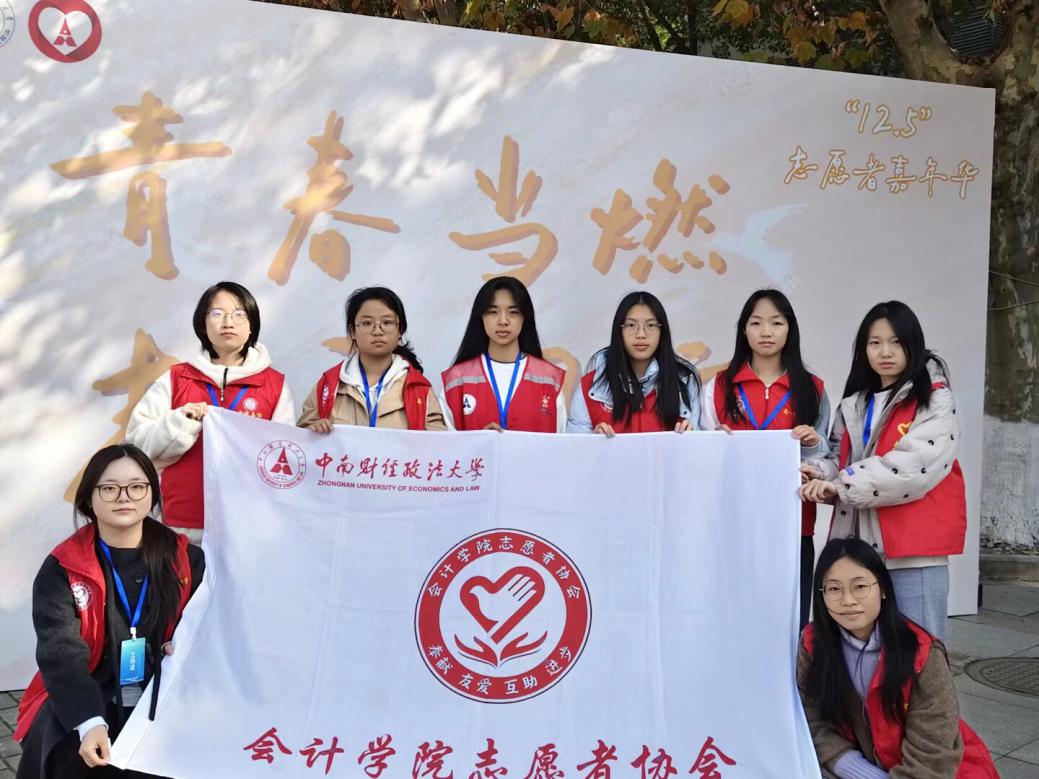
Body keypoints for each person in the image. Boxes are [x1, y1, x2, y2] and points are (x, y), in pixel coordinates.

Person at [15, 444, 205, 779]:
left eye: (136, 486)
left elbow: (209, 628)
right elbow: (61, 654)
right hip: (90, 689)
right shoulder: (64, 568)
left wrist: (185, 646)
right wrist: (89, 722)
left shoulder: (186, 560)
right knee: (69, 750)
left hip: (163, 689)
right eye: (109, 488)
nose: (124, 497)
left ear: (152, 494)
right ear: (90, 499)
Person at [801, 301, 965, 639]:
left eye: (896, 342)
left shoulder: (934, 399)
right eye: (875, 343)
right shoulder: (855, 404)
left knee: (920, 648)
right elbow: (839, 460)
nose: (885, 352)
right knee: (860, 651)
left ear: (913, 345)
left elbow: (915, 464)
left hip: (912, 551)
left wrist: (841, 485)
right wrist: (817, 472)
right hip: (858, 550)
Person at [798, 538, 996, 778]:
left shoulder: (922, 654)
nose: (848, 600)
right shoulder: (813, 645)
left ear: (882, 589)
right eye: (834, 589)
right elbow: (810, 722)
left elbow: (934, 752)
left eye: (860, 586)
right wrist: (854, 769)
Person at [126, 282, 294, 542]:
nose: (228, 322)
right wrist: (179, 423)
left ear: (252, 325)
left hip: (247, 530)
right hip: (180, 529)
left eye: (239, 314)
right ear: (202, 325)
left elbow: (285, 459)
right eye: (217, 314)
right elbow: (137, 443)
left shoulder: (274, 385)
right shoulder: (177, 378)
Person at [701, 289, 829, 628]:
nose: (766, 332)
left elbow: (824, 457)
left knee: (789, 618)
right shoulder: (719, 386)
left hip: (792, 524)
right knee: (732, 617)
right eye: (756, 323)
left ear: (790, 328)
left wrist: (812, 447)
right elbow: (701, 458)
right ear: (744, 330)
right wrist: (712, 444)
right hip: (732, 523)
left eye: (776, 322)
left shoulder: (812, 388)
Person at [298, 286, 447, 431]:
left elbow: (437, 443)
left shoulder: (418, 388)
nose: (377, 331)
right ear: (352, 331)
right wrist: (312, 432)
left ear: (400, 330)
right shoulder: (328, 385)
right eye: (367, 323)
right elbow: (301, 438)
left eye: (387, 322)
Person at [442, 278, 565, 433]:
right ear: (481, 317)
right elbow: (445, 444)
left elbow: (560, 442)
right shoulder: (456, 379)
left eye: (513, 312)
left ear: (525, 317)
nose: (503, 321)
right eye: (493, 312)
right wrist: (480, 441)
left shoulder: (550, 379)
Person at [567, 291, 700, 434]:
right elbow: (575, 444)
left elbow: (698, 442)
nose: (641, 334)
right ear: (619, 331)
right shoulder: (590, 386)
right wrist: (593, 440)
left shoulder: (685, 382)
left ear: (662, 331)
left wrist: (691, 438)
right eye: (631, 325)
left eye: (650, 325)